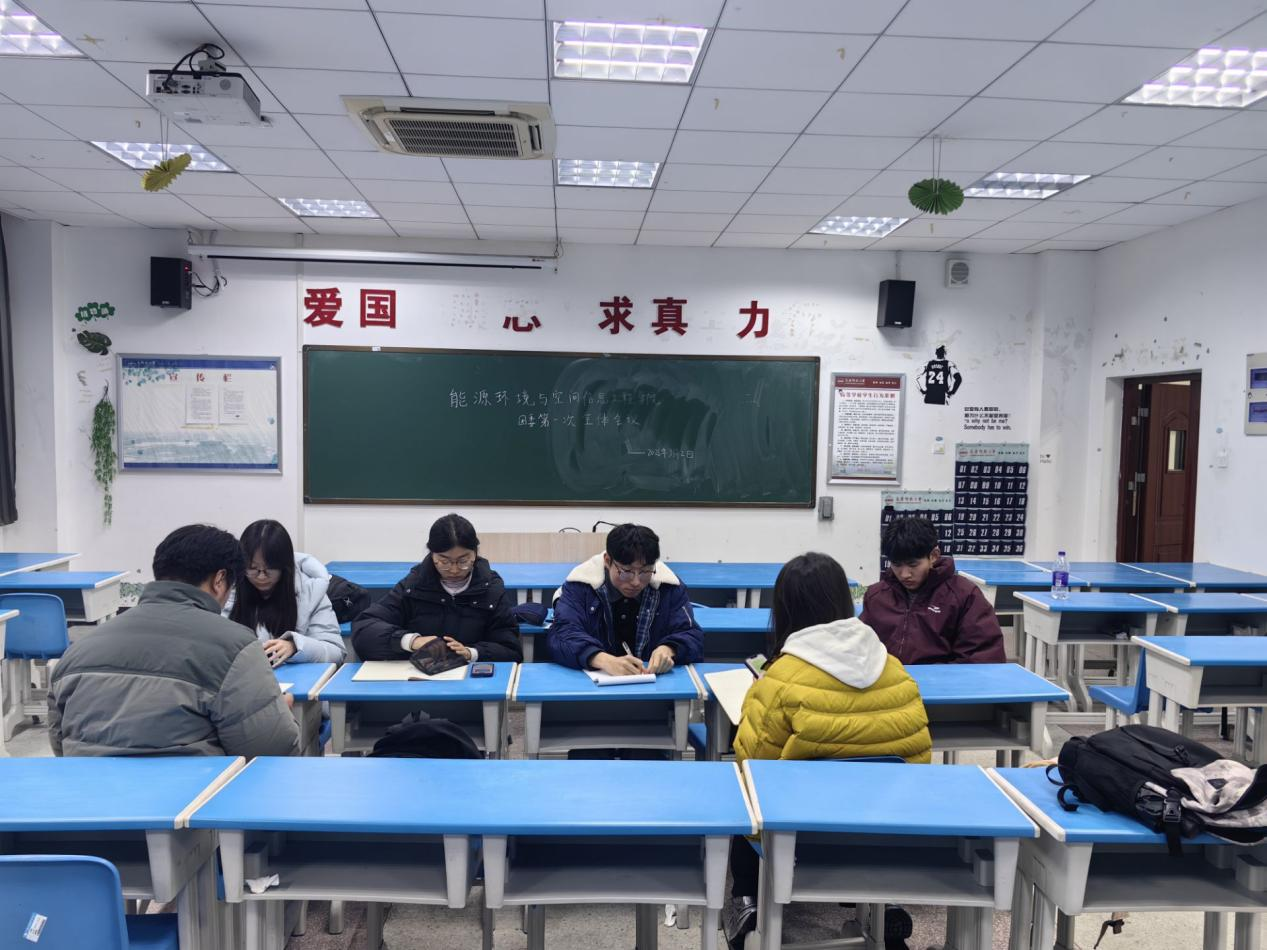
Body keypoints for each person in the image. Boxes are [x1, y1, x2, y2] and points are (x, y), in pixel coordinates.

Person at [727, 552, 931, 950]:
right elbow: (920, 756)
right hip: (888, 828)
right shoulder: (895, 669)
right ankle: (885, 902)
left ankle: (746, 904)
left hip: (804, 835)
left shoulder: (781, 679)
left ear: (785, 609)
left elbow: (752, 767)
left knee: (739, 798)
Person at [47, 524, 300, 757]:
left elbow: (59, 741)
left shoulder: (78, 651)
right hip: (194, 790)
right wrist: (282, 714)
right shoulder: (235, 646)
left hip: (85, 789)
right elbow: (272, 749)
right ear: (219, 580)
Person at [352, 513, 522, 662]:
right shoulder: (414, 586)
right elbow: (364, 629)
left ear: (475, 554)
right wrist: (411, 641)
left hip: (471, 679)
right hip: (420, 676)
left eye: (463, 561)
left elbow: (511, 650)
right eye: (444, 561)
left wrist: (471, 653)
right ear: (432, 554)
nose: (454, 570)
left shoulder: (491, 590)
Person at [548, 523, 703, 675]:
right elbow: (562, 634)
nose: (636, 582)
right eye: (626, 572)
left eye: (645, 572)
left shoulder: (668, 586)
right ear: (607, 561)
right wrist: (602, 660)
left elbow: (690, 633)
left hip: (652, 681)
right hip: (595, 682)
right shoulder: (581, 585)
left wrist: (669, 649)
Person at [863, 516, 1006, 665]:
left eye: (913, 565)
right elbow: (860, 648)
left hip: (941, 679)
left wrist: (938, 676)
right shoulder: (876, 596)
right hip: (888, 678)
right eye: (896, 564)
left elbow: (983, 656)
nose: (904, 574)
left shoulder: (965, 596)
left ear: (934, 556)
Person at [226, 519, 345, 666]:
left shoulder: (311, 592)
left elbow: (336, 652)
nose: (261, 576)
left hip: (295, 678)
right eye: (253, 568)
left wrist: (295, 646)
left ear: (285, 566)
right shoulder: (227, 591)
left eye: (269, 569)